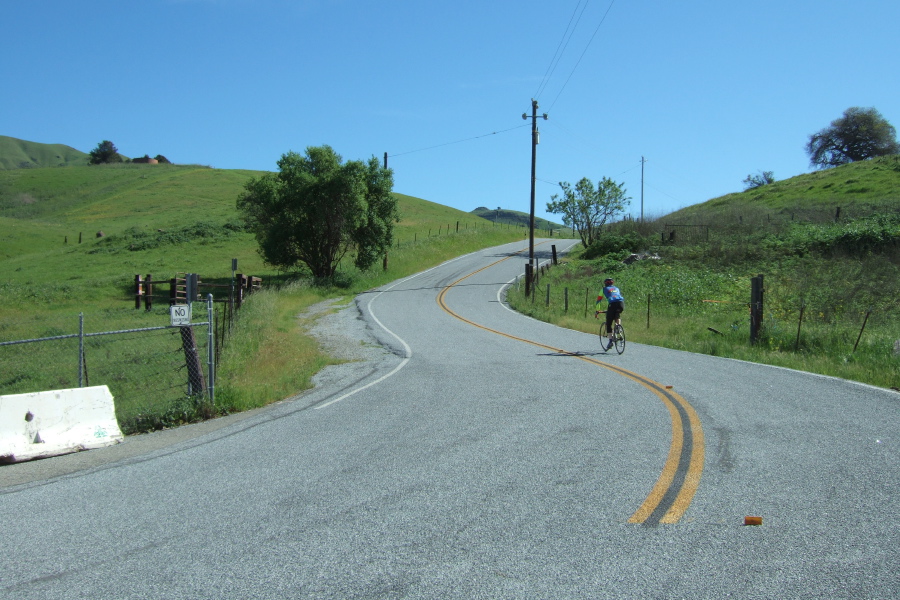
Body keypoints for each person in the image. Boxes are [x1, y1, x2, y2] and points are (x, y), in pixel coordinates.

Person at [595, 277, 624, 350]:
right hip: (621, 304)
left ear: (605, 283)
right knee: (617, 316)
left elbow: (598, 300)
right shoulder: (616, 288)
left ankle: (610, 341)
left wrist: (597, 310)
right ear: (612, 283)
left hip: (612, 305)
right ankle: (618, 327)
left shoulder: (603, 289)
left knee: (608, 324)